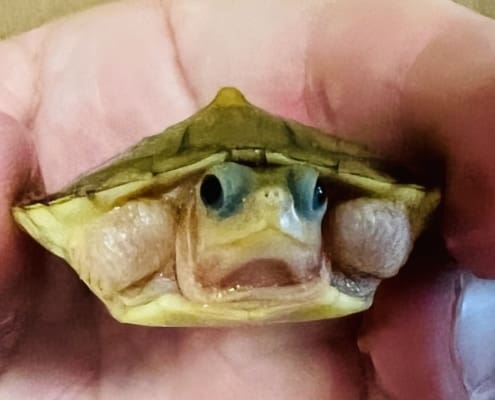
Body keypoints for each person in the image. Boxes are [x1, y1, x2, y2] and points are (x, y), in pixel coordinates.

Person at [0, 0, 493, 398]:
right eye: (218, 195)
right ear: (191, 208)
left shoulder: (347, 235)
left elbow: (387, 231)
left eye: (312, 196)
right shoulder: (150, 227)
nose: (276, 209)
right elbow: (102, 242)